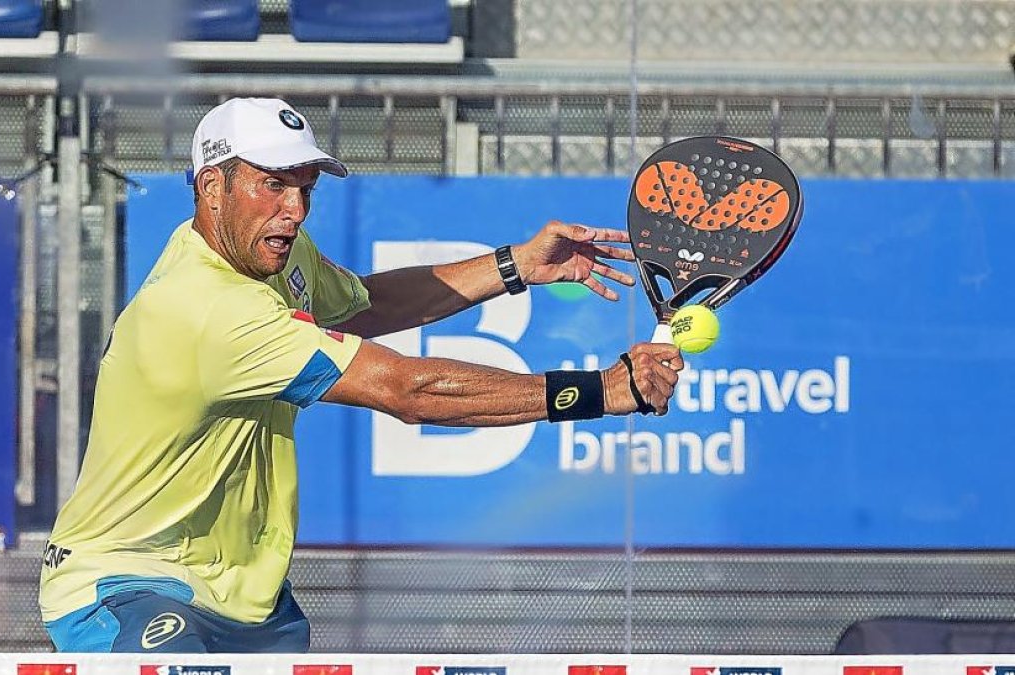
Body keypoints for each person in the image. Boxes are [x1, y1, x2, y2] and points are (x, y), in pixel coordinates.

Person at [38, 97, 685, 654]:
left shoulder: (272, 258)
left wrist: (514, 264)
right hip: (125, 584)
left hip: (244, 594)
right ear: (213, 187)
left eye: (305, 189)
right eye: (273, 184)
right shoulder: (208, 310)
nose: (295, 209)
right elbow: (407, 389)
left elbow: (369, 304)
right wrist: (602, 390)